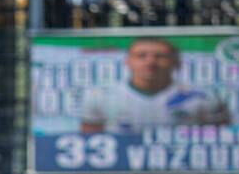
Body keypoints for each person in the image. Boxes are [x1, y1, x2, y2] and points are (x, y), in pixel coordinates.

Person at [81, 37, 230, 134]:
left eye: (160, 56)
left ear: (176, 62)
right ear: (128, 61)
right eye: (141, 56)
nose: (150, 62)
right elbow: (88, 139)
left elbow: (221, 138)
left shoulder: (203, 98)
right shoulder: (101, 96)